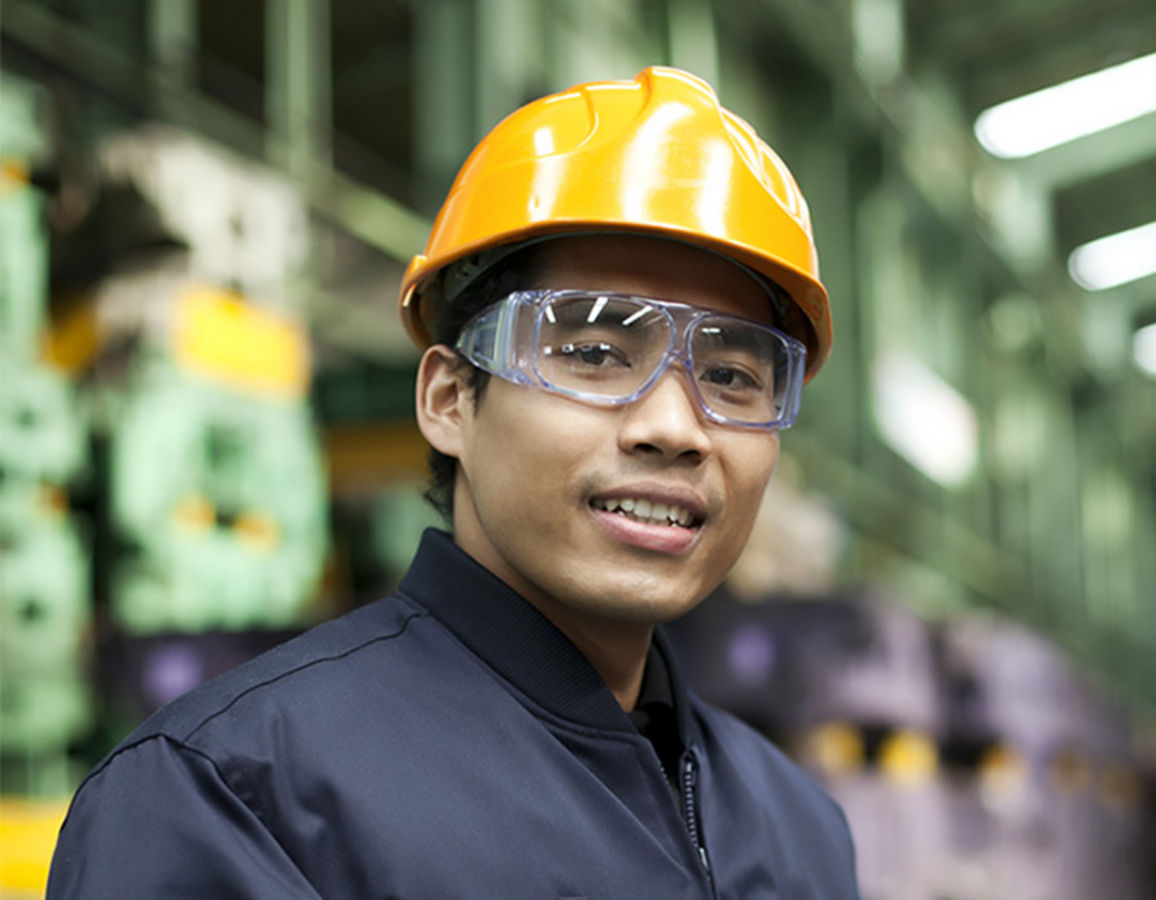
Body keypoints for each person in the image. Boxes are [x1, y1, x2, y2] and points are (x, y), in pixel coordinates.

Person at [49, 66, 860, 899]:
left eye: (730, 377)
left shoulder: (798, 826)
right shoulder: (233, 798)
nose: (675, 427)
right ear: (448, 400)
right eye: (591, 354)